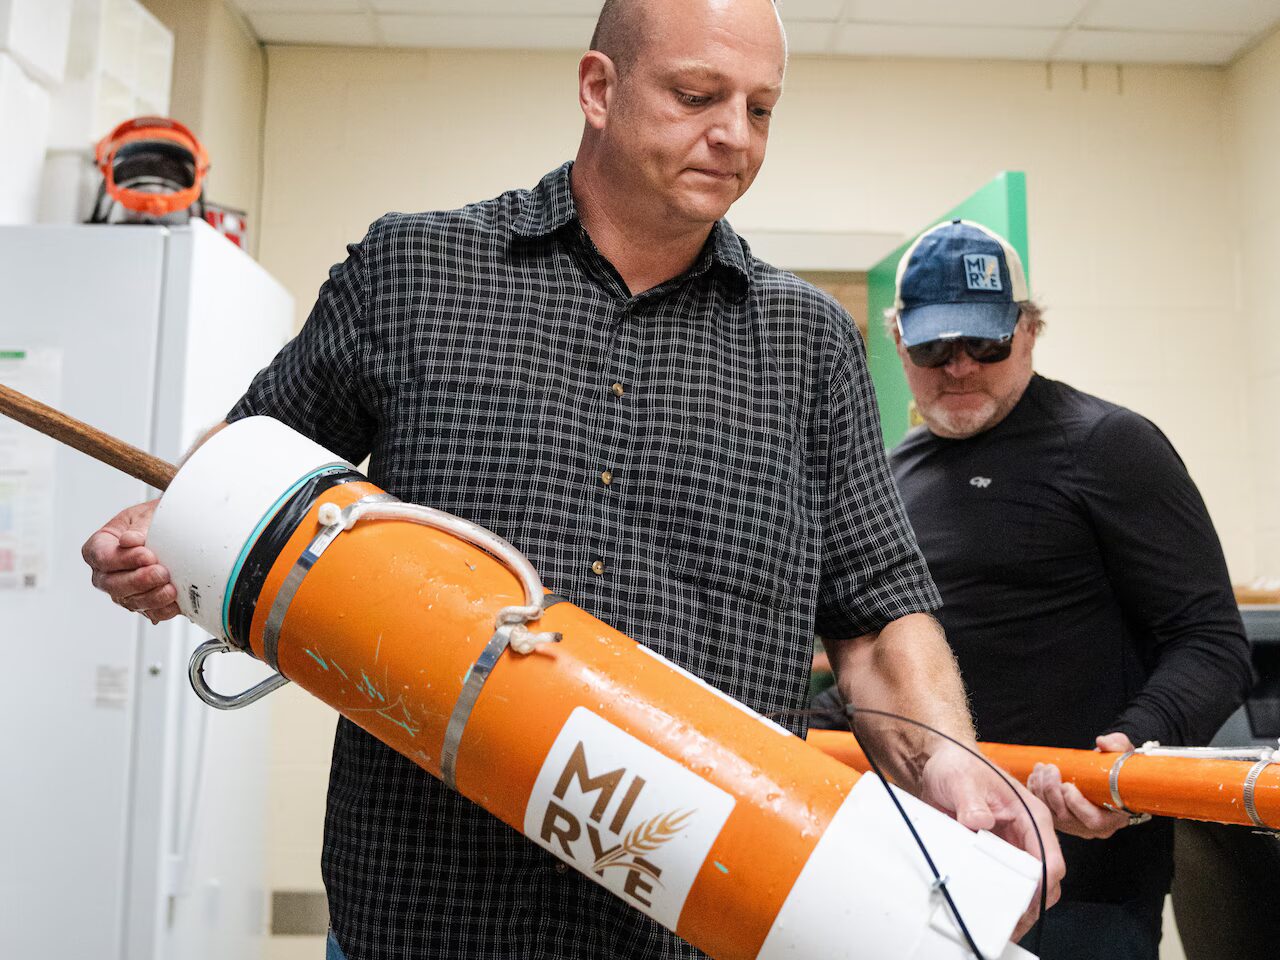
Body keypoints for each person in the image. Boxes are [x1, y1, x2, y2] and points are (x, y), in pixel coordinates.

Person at [80, 5, 1062, 958]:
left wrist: (950, 768)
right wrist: (168, 533)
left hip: (694, 926)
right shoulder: (417, 271)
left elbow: (876, 612)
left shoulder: (806, 347)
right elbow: (241, 471)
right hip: (419, 917)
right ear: (598, 87)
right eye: (696, 94)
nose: (732, 137)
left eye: (759, 109)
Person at [875, 219, 1252, 959]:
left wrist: (1125, 759)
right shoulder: (892, 475)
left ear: (1030, 329)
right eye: (932, 347)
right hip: (935, 865)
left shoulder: (1109, 445)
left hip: (1085, 878)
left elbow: (1213, 642)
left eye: (984, 343)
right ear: (898, 343)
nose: (958, 368)